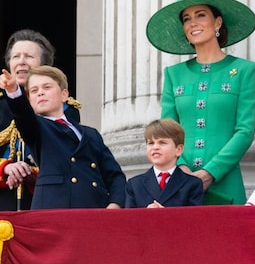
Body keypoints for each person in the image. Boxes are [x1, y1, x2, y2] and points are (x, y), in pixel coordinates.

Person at [146, 0, 255, 205]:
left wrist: (211, 171)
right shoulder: (174, 75)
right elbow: (167, 131)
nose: (193, 23)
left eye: (200, 15)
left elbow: (245, 131)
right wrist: (183, 167)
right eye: (186, 19)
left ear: (217, 22)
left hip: (226, 183)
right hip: (180, 182)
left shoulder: (245, 70)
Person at [0, 66, 125, 209]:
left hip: (94, 210)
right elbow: (22, 114)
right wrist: (13, 90)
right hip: (53, 210)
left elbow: (115, 175)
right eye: (34, 91)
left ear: (64, 95)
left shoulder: (91, 134)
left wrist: (115, 204)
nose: (40, 93)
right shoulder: (36, 127)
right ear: (29, 101)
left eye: (47, 87)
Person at [0, 29, 82, 211]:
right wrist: (5, 168)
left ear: (44, 65)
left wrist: (30, 172)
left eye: (29, 56)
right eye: (16, 56)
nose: (21, 61)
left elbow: (66, 157)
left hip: (45, 198)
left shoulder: (65, 107)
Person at [125, 118, 203, 208]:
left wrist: (165, 215)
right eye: (151, 143)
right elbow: (129, 219)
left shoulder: (192, 184)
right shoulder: (134, 184)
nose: (155, 147)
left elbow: (195, 219)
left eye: (162, 143)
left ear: (178, 150)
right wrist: (145, 215)